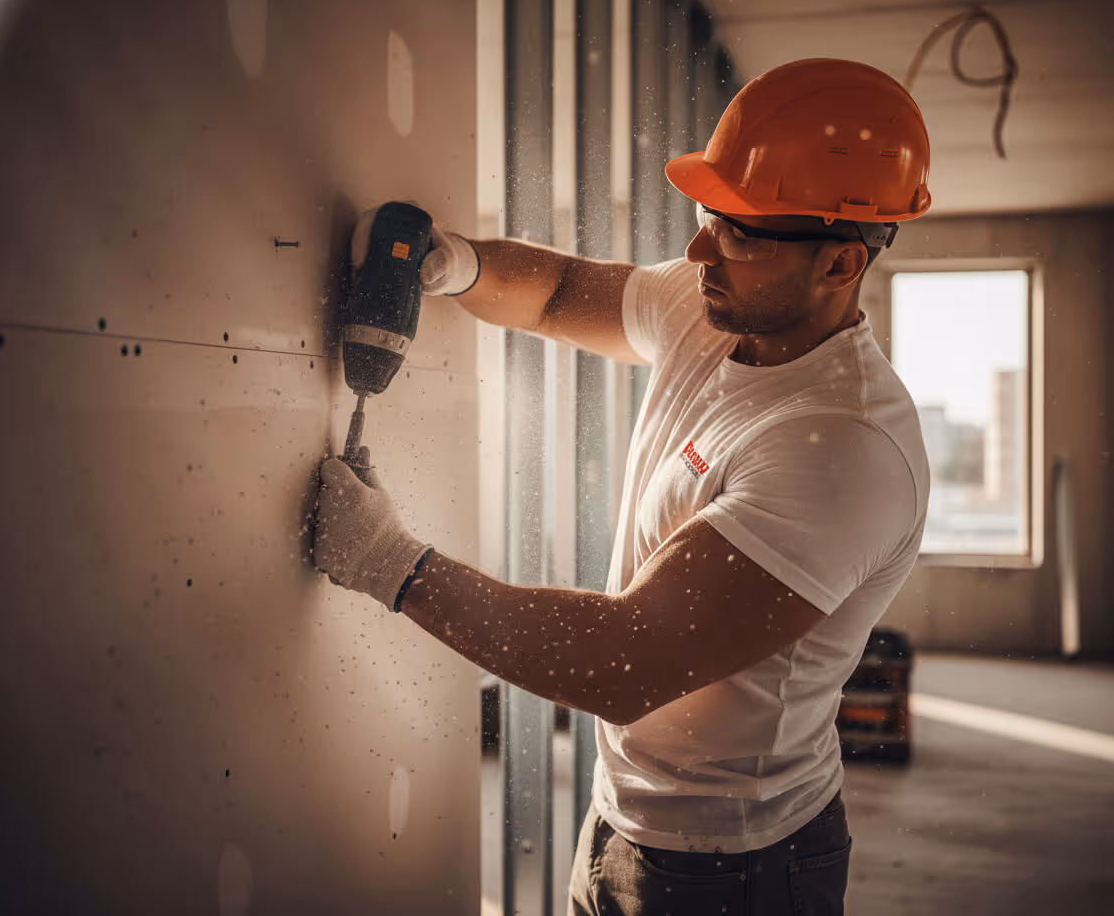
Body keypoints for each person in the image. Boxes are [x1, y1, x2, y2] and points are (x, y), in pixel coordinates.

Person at [314, 57, 932, 915]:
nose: (699, 249)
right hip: (624, 815)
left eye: (740, 233)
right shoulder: (712, 308)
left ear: (839, 265)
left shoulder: (842, 451)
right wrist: (454, 267)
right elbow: (562, 291)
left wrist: (388, 563)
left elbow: (623, 660)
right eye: (710, 214)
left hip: (737, 866)